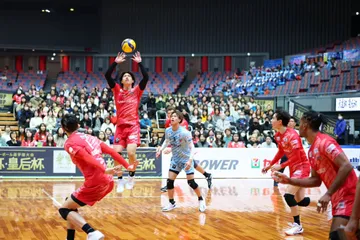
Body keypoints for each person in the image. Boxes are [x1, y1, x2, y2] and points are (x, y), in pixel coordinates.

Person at [273, 110, 357, 240]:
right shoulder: (312, 151)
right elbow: (315, 180)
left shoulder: (325, 142)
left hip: (349, 197)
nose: (297, 126)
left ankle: (297, 224)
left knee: (337, 236)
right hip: (338, 200)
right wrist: (289, 180)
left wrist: (328, 193)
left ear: (305, 124)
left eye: (299, 123)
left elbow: (346, 166)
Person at [60, 114, 138, 240]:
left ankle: (91, 232)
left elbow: (86, 157)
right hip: (108, 182)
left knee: (63, 210)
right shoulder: (90, 137)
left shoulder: (69, 143)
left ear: (63, 129)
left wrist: (104, 169)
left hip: (96, 181)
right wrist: (127, 165)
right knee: (70, 204)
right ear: (78, 125)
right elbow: (112, 152)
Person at [262, 110, 311, 236]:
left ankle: (298, 225)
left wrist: (281, 166)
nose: (271, 120)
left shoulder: (293, 136)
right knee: (301, 201)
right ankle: (326, 203)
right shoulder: (278, 135)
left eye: (273, 118)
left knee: (288, 195)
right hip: (293, 169)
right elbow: (280, 152)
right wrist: (270, 165)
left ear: (279, 122)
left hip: (302, 167)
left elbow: (296, 158)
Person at [105, 51, 148, 192]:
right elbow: (107, 75)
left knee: (130, 152)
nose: (127, 77)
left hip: (133, 126)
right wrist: (115, 63)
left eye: (129, 76)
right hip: (120, 127)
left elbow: (146, 77)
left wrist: (140, 63)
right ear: (122, 81)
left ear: (132, 81)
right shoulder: (117, 90)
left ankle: (131, 177)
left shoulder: (137, 91)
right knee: (116, 153)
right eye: (125, 76)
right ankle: (120, 180)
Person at [156, 111, 206, 212]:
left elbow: (192, 147)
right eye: (171, 116)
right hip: (175, 160)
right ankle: (171, 203)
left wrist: (190, 160)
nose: (172, 118)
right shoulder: (168, 131)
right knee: (169, 181)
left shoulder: (184, 133)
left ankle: (201, 199)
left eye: (175, 116)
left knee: (191, 183)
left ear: (179, 120)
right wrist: (160, 150)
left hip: (186, 160)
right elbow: (167, 141)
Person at [159, 107, 212, 193]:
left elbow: (181, 139)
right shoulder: (168, 122)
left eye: (171, 114)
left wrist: (171, 150)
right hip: (178, 149)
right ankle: (207, 175)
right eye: (168, 114)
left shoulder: (183, 123)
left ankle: (170, 183)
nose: (169, 116)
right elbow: (168, 136)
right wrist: (161, 147)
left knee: (188, 163)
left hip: (185, 146)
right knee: (192, 164)